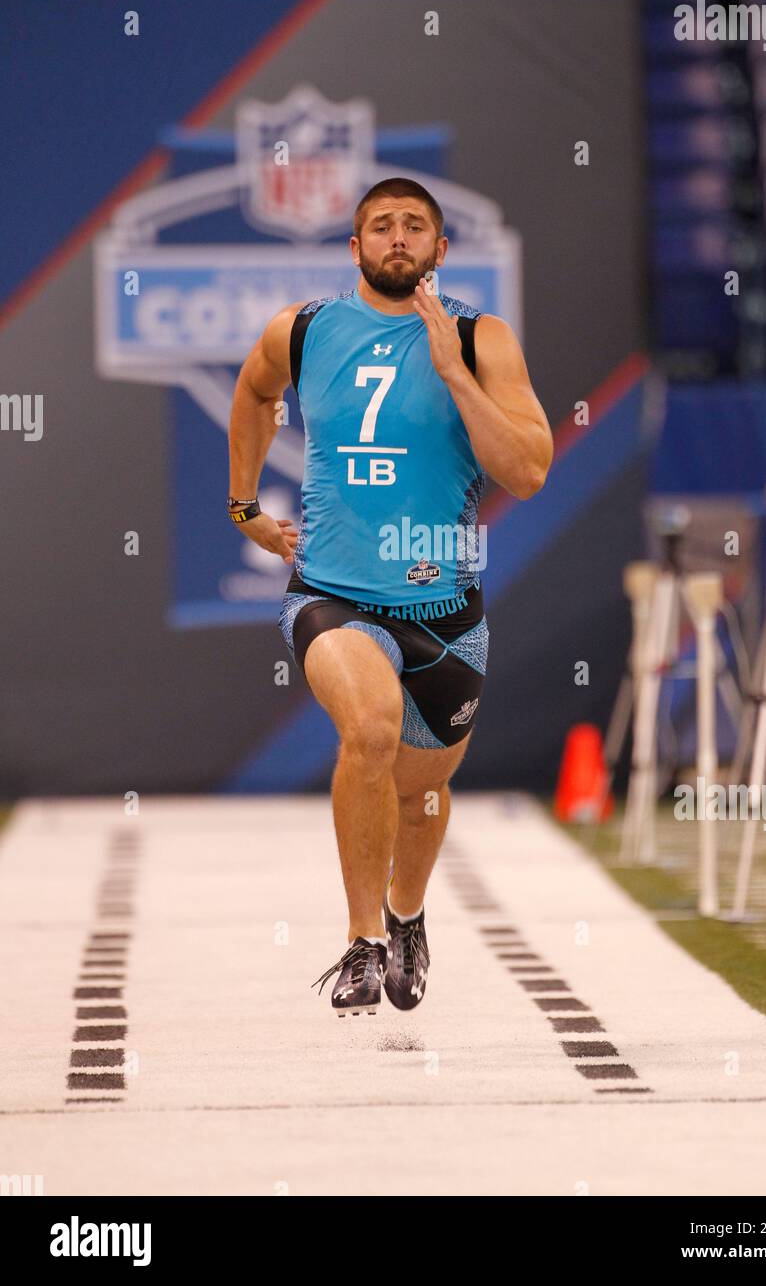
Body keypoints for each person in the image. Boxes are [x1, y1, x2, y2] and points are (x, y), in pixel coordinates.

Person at [227, 177, 553, 1015]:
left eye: (415, 227)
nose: (397, 238)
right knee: (368, 731)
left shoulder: (484, 340)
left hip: (445, 612)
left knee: (422, 791)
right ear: (355, 248)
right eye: (381, 226)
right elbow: (255, 392)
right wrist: (245, 507)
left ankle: (407, 915)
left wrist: (453, 373)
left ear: (441, 251)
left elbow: (527, 469)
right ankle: (363, 940)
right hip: (332, 594)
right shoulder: (304, 329)